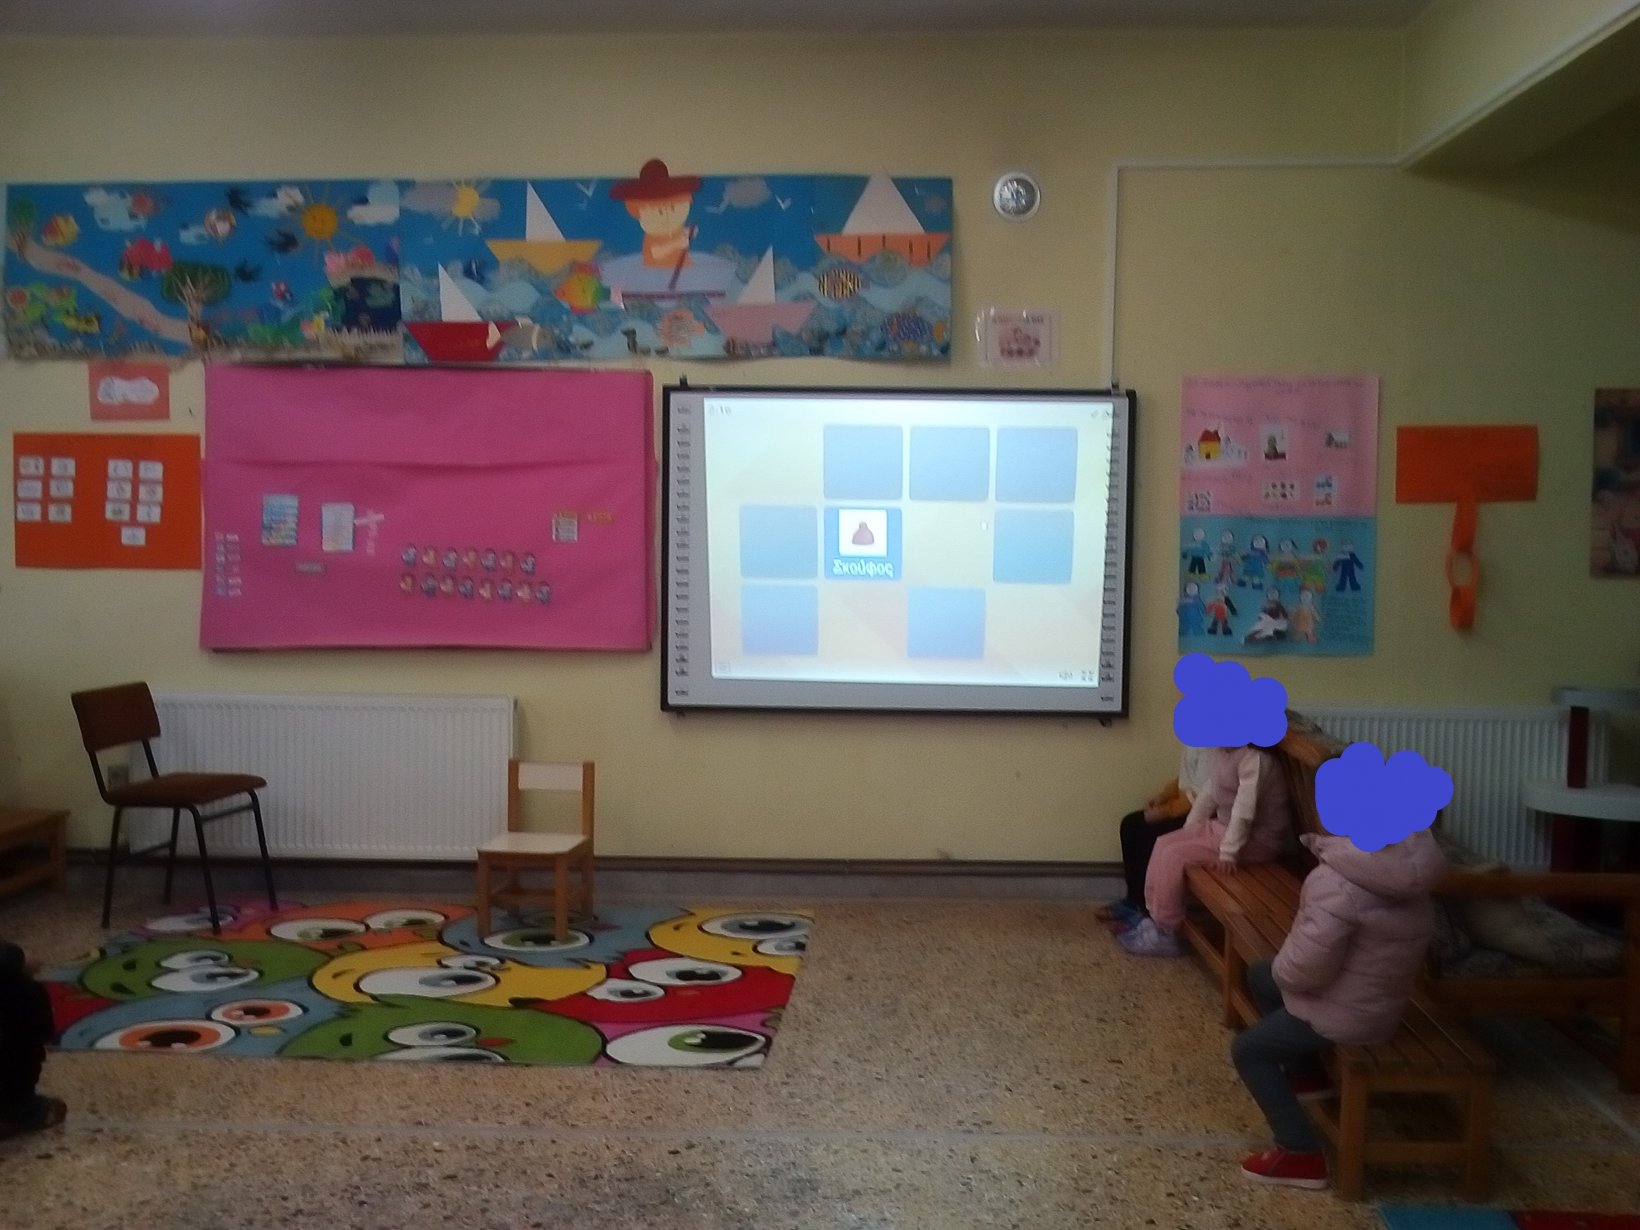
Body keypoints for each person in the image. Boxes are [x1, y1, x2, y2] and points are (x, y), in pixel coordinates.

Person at [1232, 826, 1449, 1188]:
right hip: (1380, 1005)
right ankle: (1307, 1074)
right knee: (1260, 974)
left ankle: (1299, 1152)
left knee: (1248, 1050)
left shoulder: (1338, 882)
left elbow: (1305, 969)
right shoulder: (1411, 869)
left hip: (1342, 1014)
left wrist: (1286, 968)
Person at [1118, 740, 1291, 957]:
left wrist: (1228, 852)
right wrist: (1190, 829)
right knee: (1163, 843)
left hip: (1256, 841)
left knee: (1174, 856)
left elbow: (1244, 812)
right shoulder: (1222, 752)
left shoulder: (1255, 761)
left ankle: (1168, 931)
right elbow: (1209, 792)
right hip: (1224, 828)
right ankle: (1155, 917)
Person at [1096, 743, 1212, 924]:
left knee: (1149, 833)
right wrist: (1164, 796)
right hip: (1186, 809)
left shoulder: (1214, 744)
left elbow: (1202, 794)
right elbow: (1187, 779)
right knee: (1131, 824)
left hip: (1203, 816)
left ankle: (1148, 909)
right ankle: (1135, 900)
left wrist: (1165, 811)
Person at [0, 939, 65, 1139]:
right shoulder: (30, 992)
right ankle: (17, 1117)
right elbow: (45, 1032)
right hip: (13, 1094)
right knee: (53, 1108)